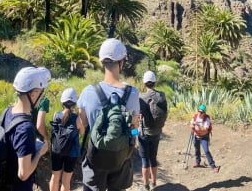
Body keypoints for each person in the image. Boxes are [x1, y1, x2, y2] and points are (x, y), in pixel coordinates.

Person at [77, 38, 140, 191]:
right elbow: (135, 126)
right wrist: (133, 140)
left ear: (102, 62)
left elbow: (81, 125)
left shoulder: (88, 92)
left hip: (95, 158)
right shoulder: (132, 93)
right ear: (122, 62)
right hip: (120, 157)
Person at [0, 67, 49, 191]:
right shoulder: (25, 128)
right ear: (33, 93)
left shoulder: (7, 112)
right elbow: (23, 174)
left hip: (4, 181)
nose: (42, 96)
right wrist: (39, 153)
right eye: (41, 92)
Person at [49, 87, 85, 191]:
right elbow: (82, 132)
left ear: (62, 102)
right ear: (75, 103)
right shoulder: (77, 118)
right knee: (65, 181)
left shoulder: (56, 115)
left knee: (54, 178)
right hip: (72, 153)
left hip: (56, 151)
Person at [138, 70, 168, 191]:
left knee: (145, 160)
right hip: (156, 132)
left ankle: (146, 186)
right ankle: (154, 183)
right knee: (153, 158)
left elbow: (137, 114)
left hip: (144, 133)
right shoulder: (162, 95)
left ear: (144, 83)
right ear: (155, 82)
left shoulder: (141, 97)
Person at [190, 104, 220, 172]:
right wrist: (192, 126)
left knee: (206, 151)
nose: (200, 113)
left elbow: (205, 129)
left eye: (202, 112)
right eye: (199, 111)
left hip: (204, 137)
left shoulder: (206, 119)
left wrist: (197, 127)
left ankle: (213, 166)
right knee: (197, 149)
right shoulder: (195, 116)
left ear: (204, 112)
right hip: (195, 136)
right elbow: (191, 124)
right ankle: (197, 162)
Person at [33, 67, 51, 142]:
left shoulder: (26, 95)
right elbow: (39, 126)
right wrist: (46, 137)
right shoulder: (44, 100)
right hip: (36, 138)